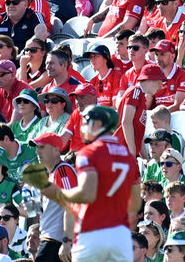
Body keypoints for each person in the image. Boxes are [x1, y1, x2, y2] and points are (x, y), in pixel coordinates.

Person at [36, 105, 139, 262]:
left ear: (97, 125)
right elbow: (135, 204)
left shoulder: (89, 153)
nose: (82, 128)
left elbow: (87, 194)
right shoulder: (129, 157)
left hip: (92, 232)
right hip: (120, 235)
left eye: (85, 122)